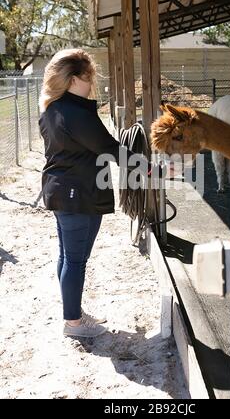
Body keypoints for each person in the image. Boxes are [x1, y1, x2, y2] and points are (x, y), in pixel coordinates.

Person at [39, 48, 148, 338]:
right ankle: (73, 323)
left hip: (61, 191)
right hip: (78, 194)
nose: (92, 84)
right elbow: (110, 148)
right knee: (75, 260)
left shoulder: (51, 110)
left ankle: (72, 312)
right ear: (73, 79)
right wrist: (151, 171)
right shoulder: (75, 113)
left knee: (67, 257)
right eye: (88, 78)